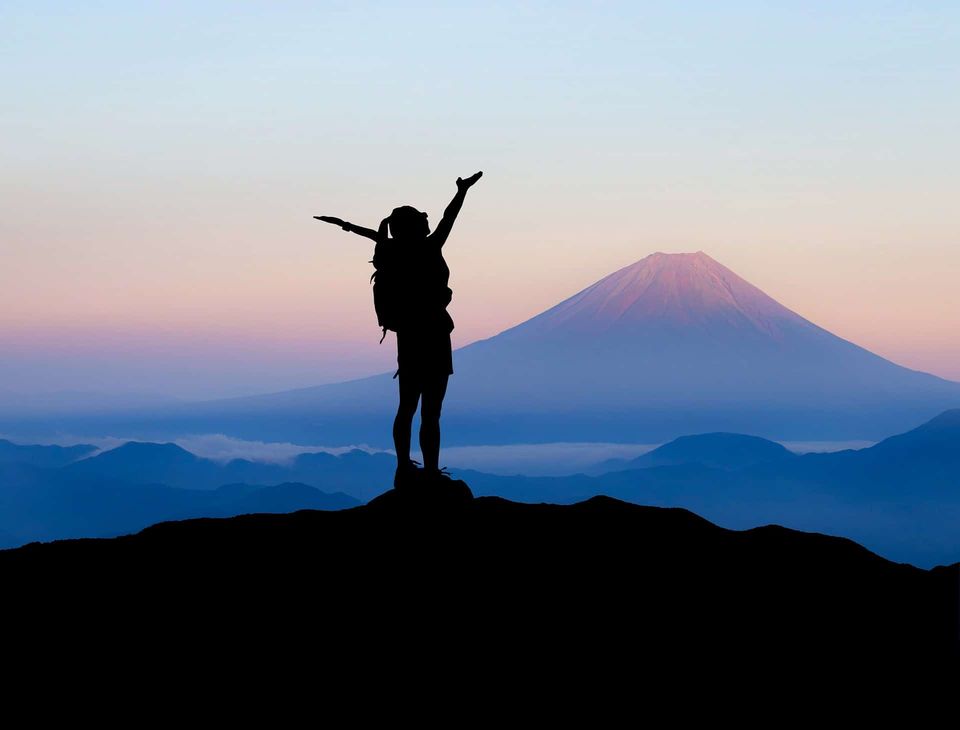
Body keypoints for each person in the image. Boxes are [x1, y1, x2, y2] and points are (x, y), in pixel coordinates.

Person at [315, 171, 483, 489]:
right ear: (418, 227)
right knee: (432, 410)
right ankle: (430, 471)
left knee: (407, 406)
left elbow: (375, 237)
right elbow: (450, 217)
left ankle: (403, 466)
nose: (428, 223)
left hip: (409, 337)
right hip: (434, 334)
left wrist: (345, 225)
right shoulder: (431, 247)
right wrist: (462, 191)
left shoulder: (393, 252)